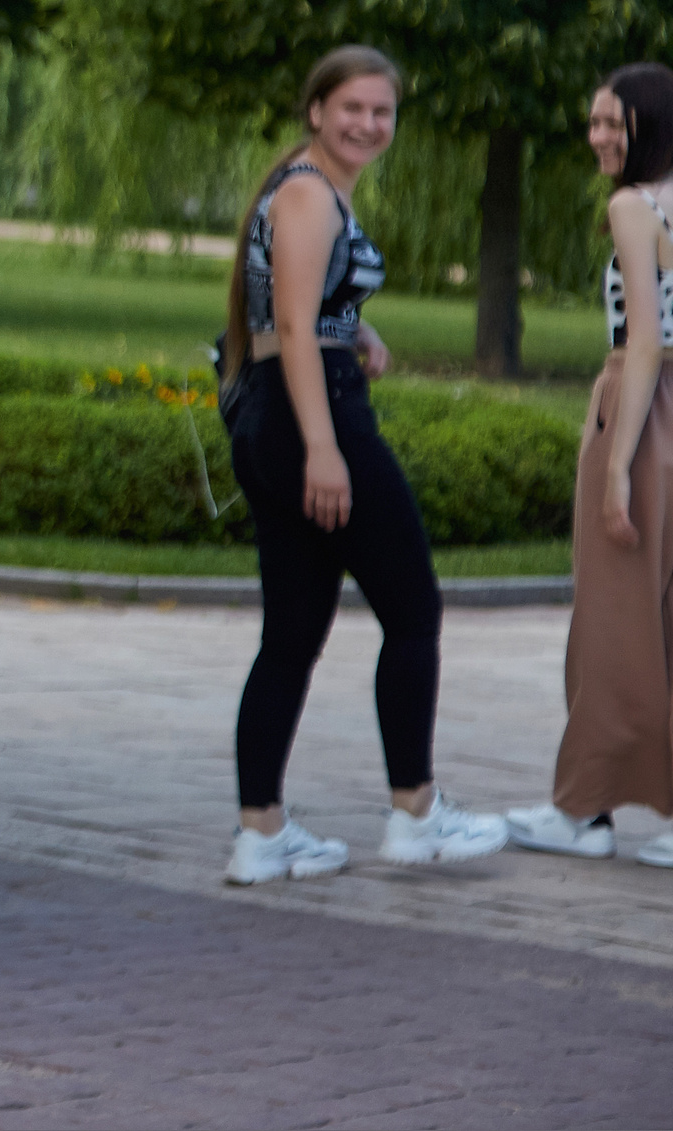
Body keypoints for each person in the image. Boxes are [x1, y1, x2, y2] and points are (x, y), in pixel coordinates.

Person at [219, 45, 509, 885]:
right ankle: (416, 813)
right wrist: (323, 447)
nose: (368, 123)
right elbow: (296, 329)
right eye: (352, 107)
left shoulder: (307, 188)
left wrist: (361, 329)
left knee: (290, 636)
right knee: (414, 610)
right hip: (313, 416)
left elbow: (296, 305)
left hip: (275, 410)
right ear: (316, 110)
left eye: (383, 111)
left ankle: (261, 835)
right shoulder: (310, 192)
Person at [507, 63, 673, 867]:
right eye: (595, 121)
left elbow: (643, 343)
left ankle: (584, 808)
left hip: (644, 412)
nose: (598, 135)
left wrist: (615, 469)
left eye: (613, 122)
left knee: (610, 618)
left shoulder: (633, 206)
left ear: (649, 124)